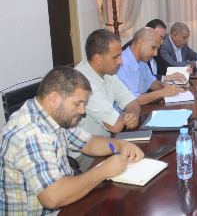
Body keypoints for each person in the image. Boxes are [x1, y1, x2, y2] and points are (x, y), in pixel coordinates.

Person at [0, 67, 144, 215]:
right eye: (77, 103)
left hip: (62, 203)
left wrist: (121, 144)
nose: (82, 110)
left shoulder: (54, 115)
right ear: (54, 98)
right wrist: (103, 170)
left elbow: (89, 143)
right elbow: (52, 197)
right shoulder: (31, 134)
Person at [72, 29, 141, 170]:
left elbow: (132, 101)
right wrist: (125, 117)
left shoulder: (107, 72)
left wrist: (133, 115)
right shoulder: (82, 81)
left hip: (105, 142)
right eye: (116, 57)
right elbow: (115, 125)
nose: (120, 61)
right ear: (98, 58)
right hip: (84, 155)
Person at [118, 27, 186, 105]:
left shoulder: (141, 60)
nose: (155, 54)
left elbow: (150, 82)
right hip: (124, 115)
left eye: (157, 49)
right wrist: (162, 92)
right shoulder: (122, 65)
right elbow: (133, 99)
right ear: (141, 43)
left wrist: (164, 85)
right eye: (153, 48)